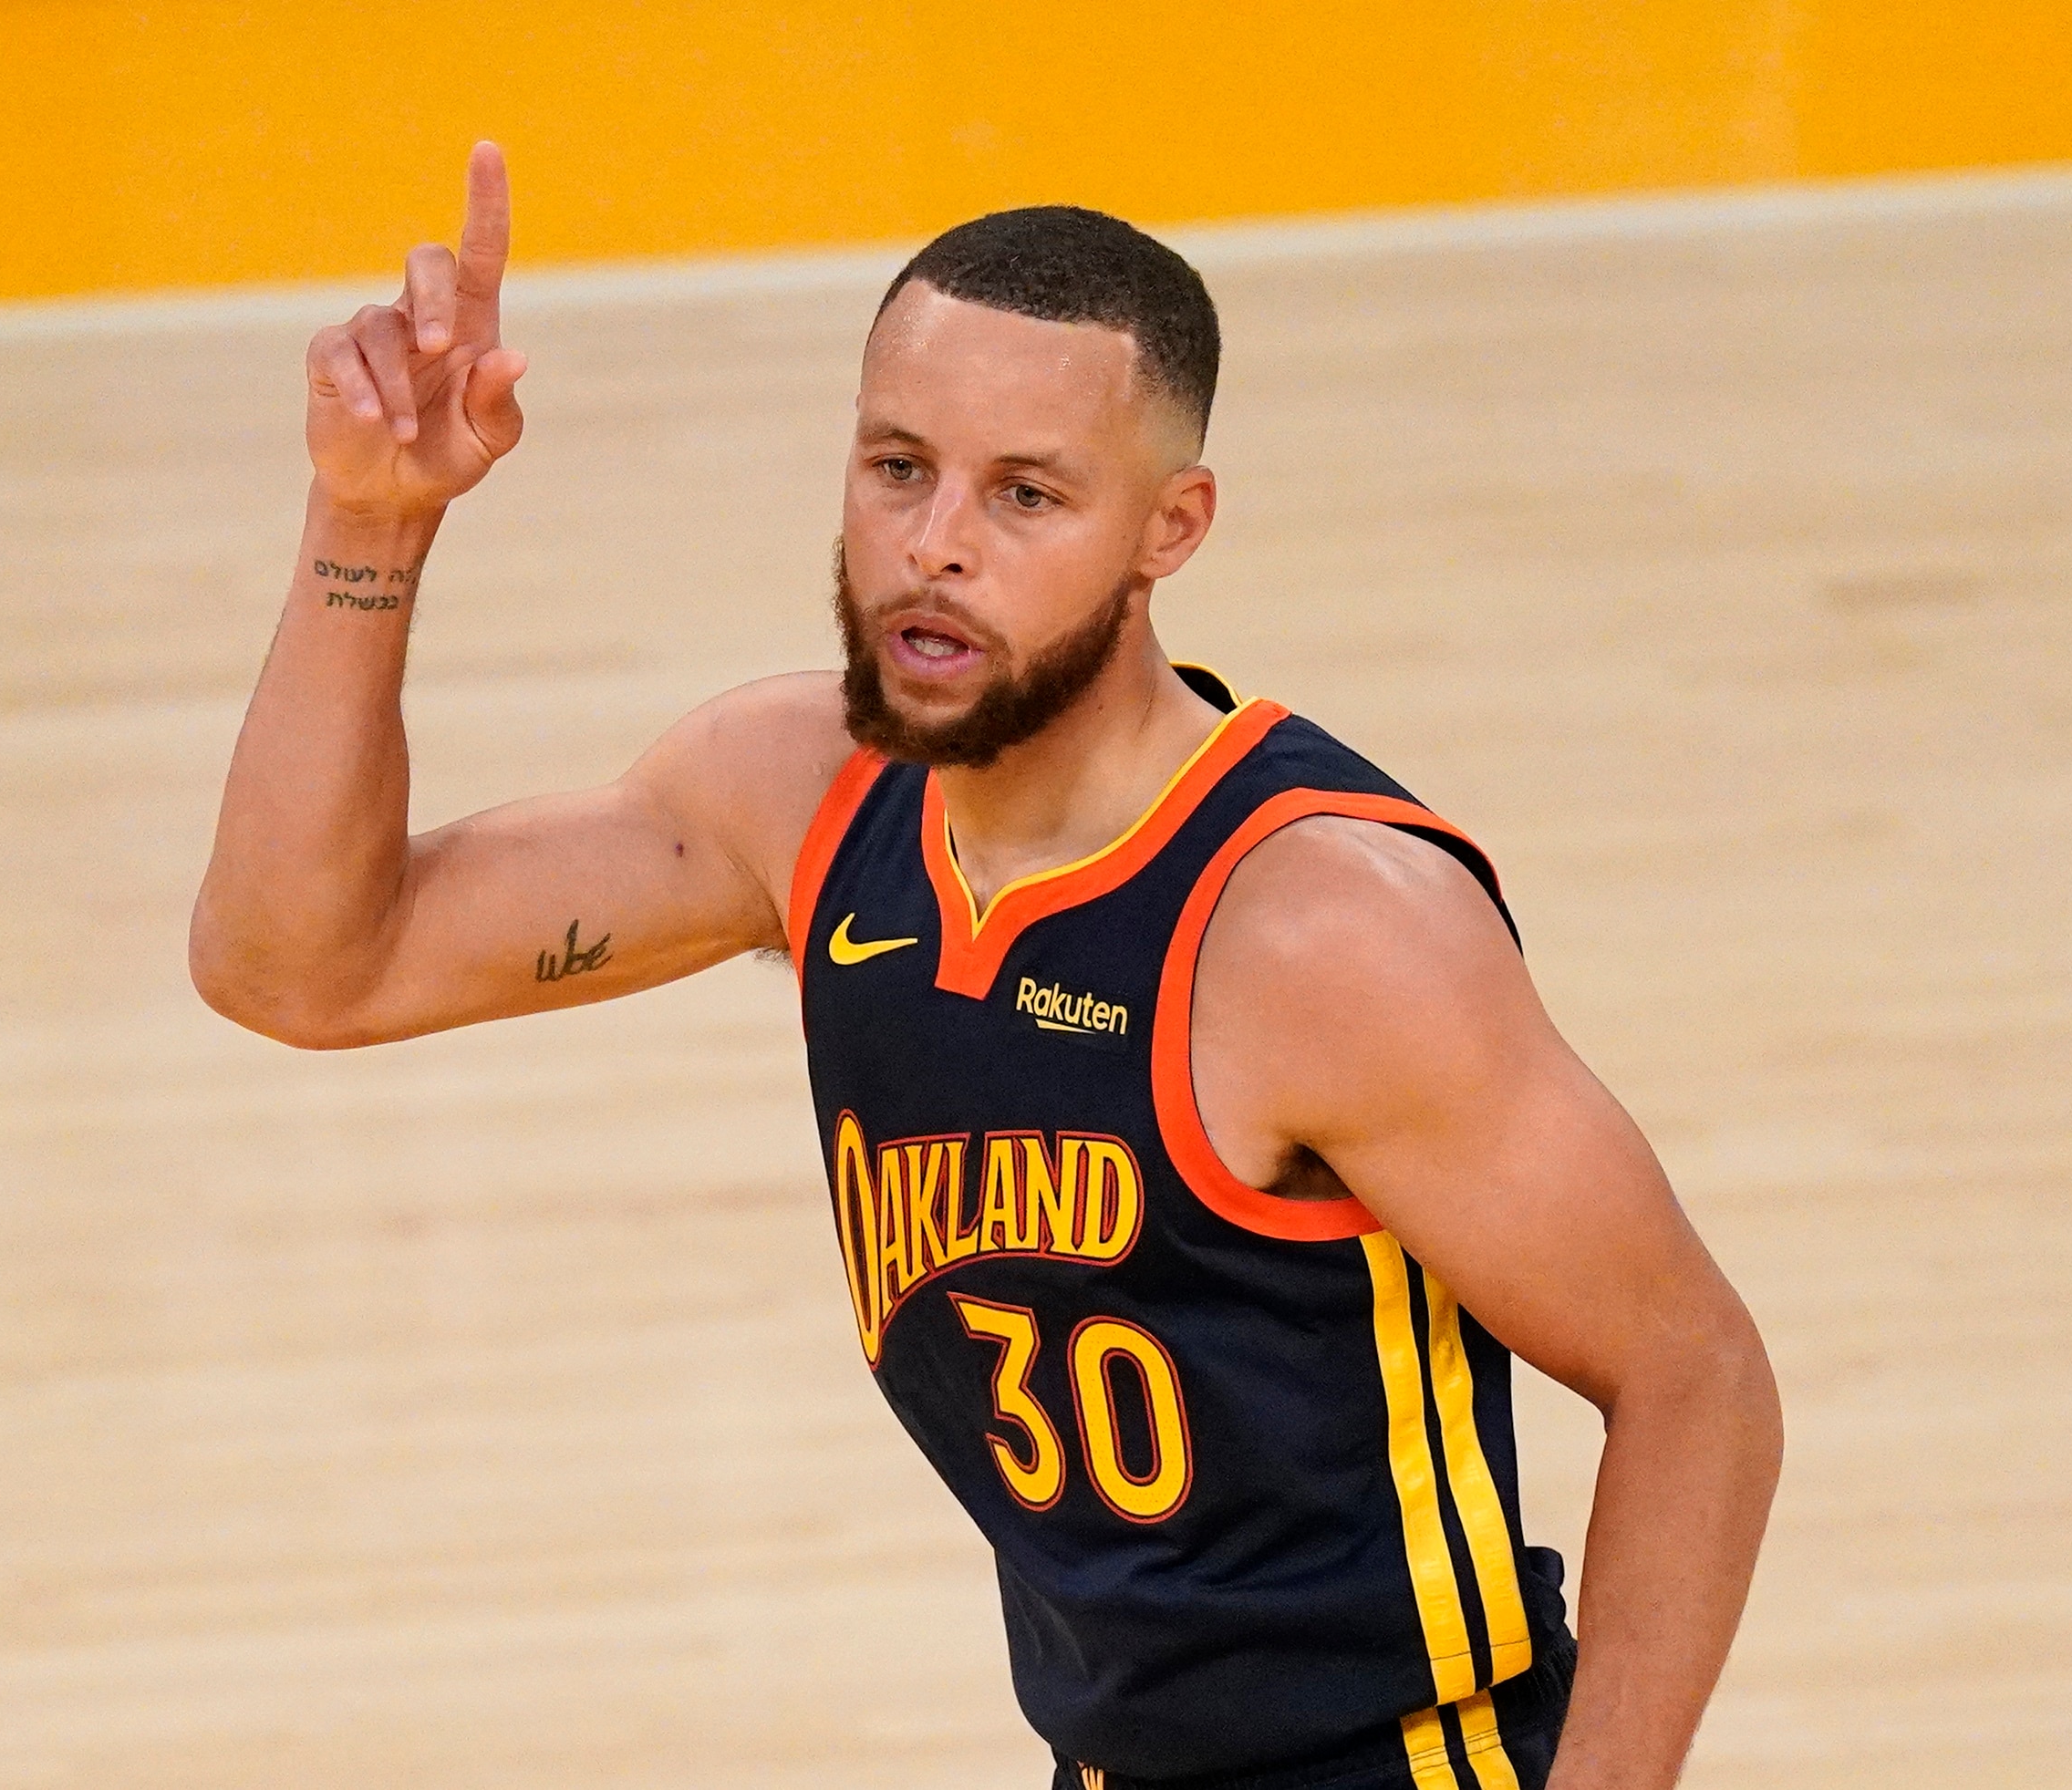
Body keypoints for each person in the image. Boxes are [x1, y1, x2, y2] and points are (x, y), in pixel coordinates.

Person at [192, 142, 1783, 1790]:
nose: (934, 546)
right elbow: (301, 966)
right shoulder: (803, 801)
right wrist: (365, 521)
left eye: (1026, 495)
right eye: (899, 468)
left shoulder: (1318, 931)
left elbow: (1695, 1380)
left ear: (1170, 528)